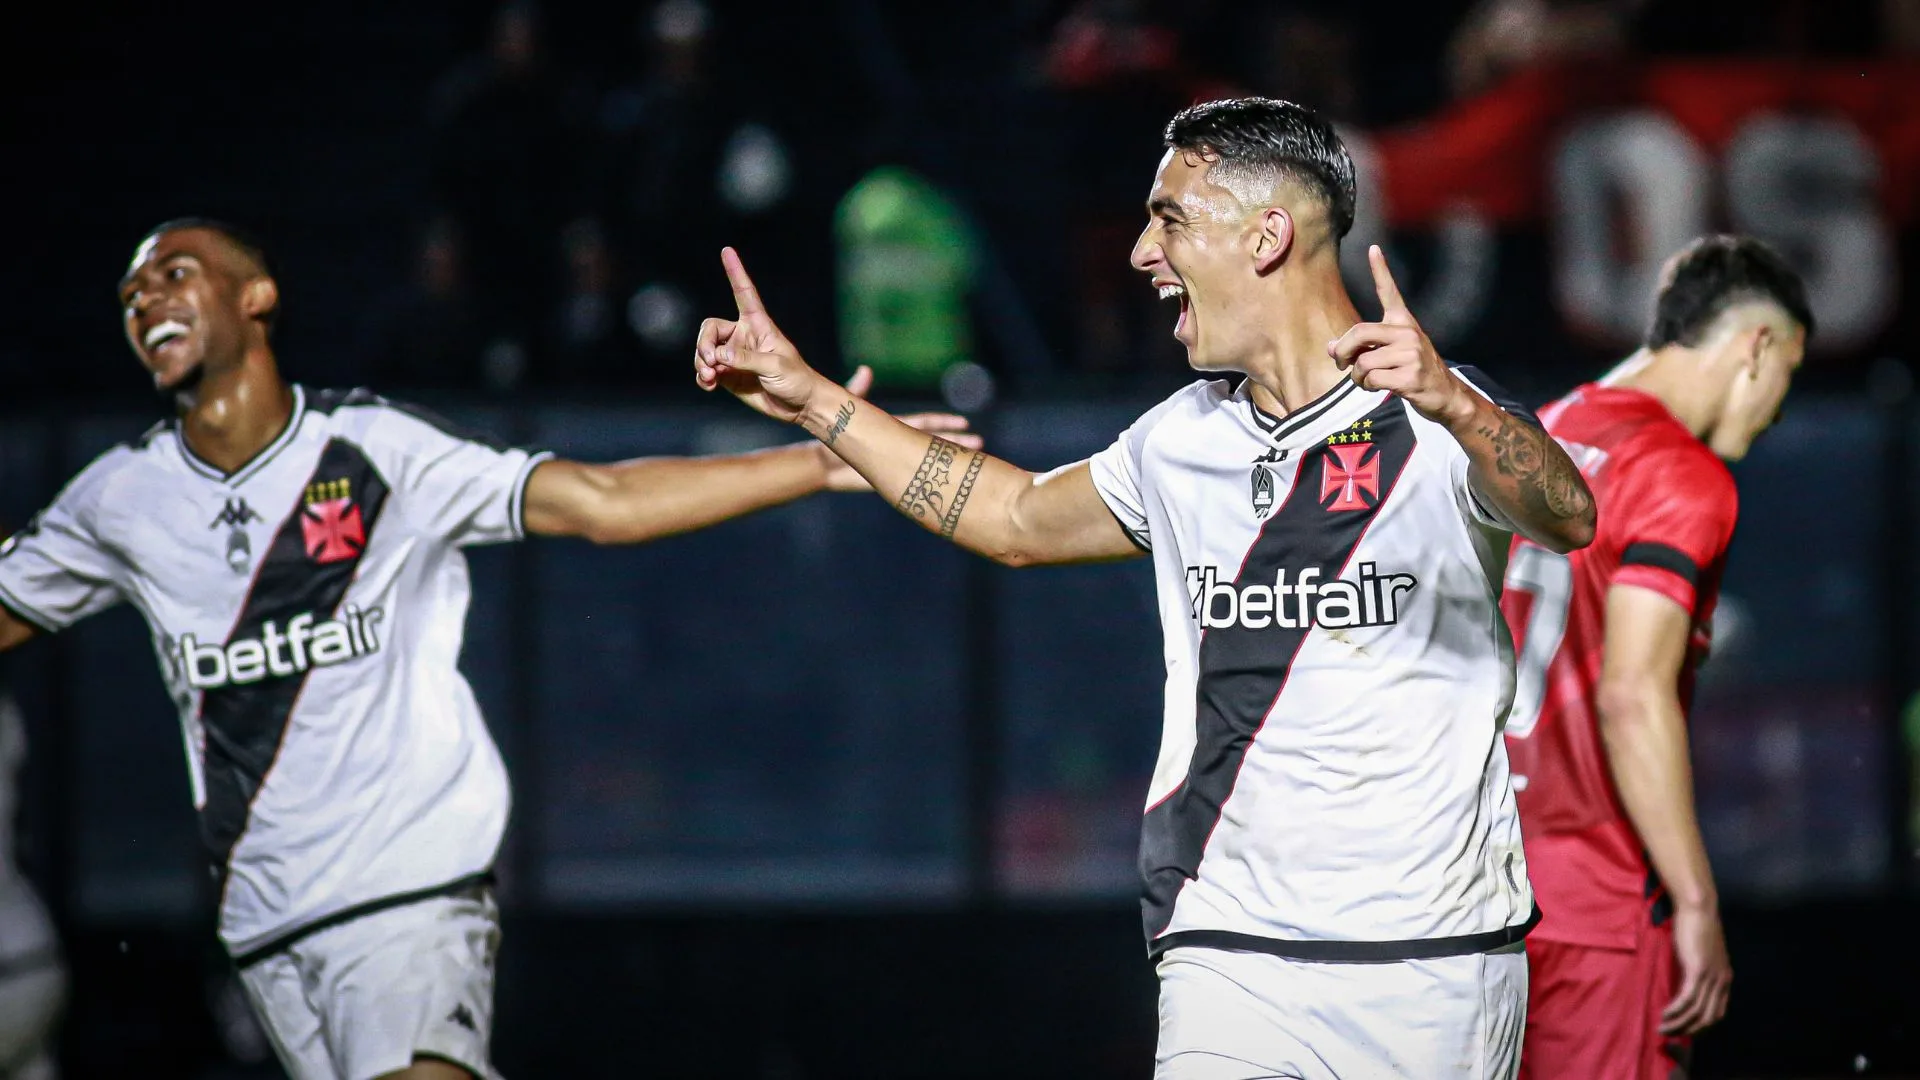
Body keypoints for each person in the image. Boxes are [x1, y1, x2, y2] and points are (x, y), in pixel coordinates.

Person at [694, 97, 1596, 1079]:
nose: (1137, 254)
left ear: (1267, 237)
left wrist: (1456, 404)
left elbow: (1567, 514)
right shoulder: (1180, 441)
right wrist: (812, 399)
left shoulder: (1433, 420)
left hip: (1435, 969)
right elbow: (1015, 520)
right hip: (1228, 955)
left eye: (1168, 219)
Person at [0, 219, 975, 1080]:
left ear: (255, 296)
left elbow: (604, 502)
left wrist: (815, 458)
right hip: (263, 925)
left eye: (173, 273)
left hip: (407, 888)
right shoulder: (116, 499)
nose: (145, 298)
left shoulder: (374, 450)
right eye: (132, 290)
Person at [1501, 235, 1812, 1078]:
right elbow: (1630, 695)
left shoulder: (1543, 433)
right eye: (1789, 372)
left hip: (1474, 888)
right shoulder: (1683, 473)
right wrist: (1698, 901)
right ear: (1757, 345)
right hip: (1597, 898)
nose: (1779, 406)